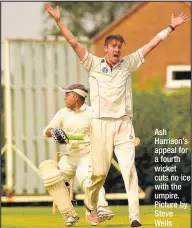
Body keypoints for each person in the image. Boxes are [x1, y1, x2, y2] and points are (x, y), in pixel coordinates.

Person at [44, 4, 189, 227]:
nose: (117, 50)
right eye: (113, 46)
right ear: (105, 48)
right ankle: (91, 204)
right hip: (100, 125)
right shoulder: (93, 64)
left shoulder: (128, 64)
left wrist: (170, 27)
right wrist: (58, 22)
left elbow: (151, 45)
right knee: (98, 175)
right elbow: (73, 43)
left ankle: (135, 217)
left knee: (129, 170)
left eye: (120, 46)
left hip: (123, 124)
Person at [40, 84, 114, 227]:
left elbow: (104, 132)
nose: (65, 97)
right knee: (52, 179)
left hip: (88, 154)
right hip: (70, 156)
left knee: (85, 176)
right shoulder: (63, 112)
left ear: (76, 96)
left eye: (67, 94)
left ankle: (101, 207)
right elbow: (46, 131)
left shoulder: (91, 113)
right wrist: (55, 132)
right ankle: (69, 215)